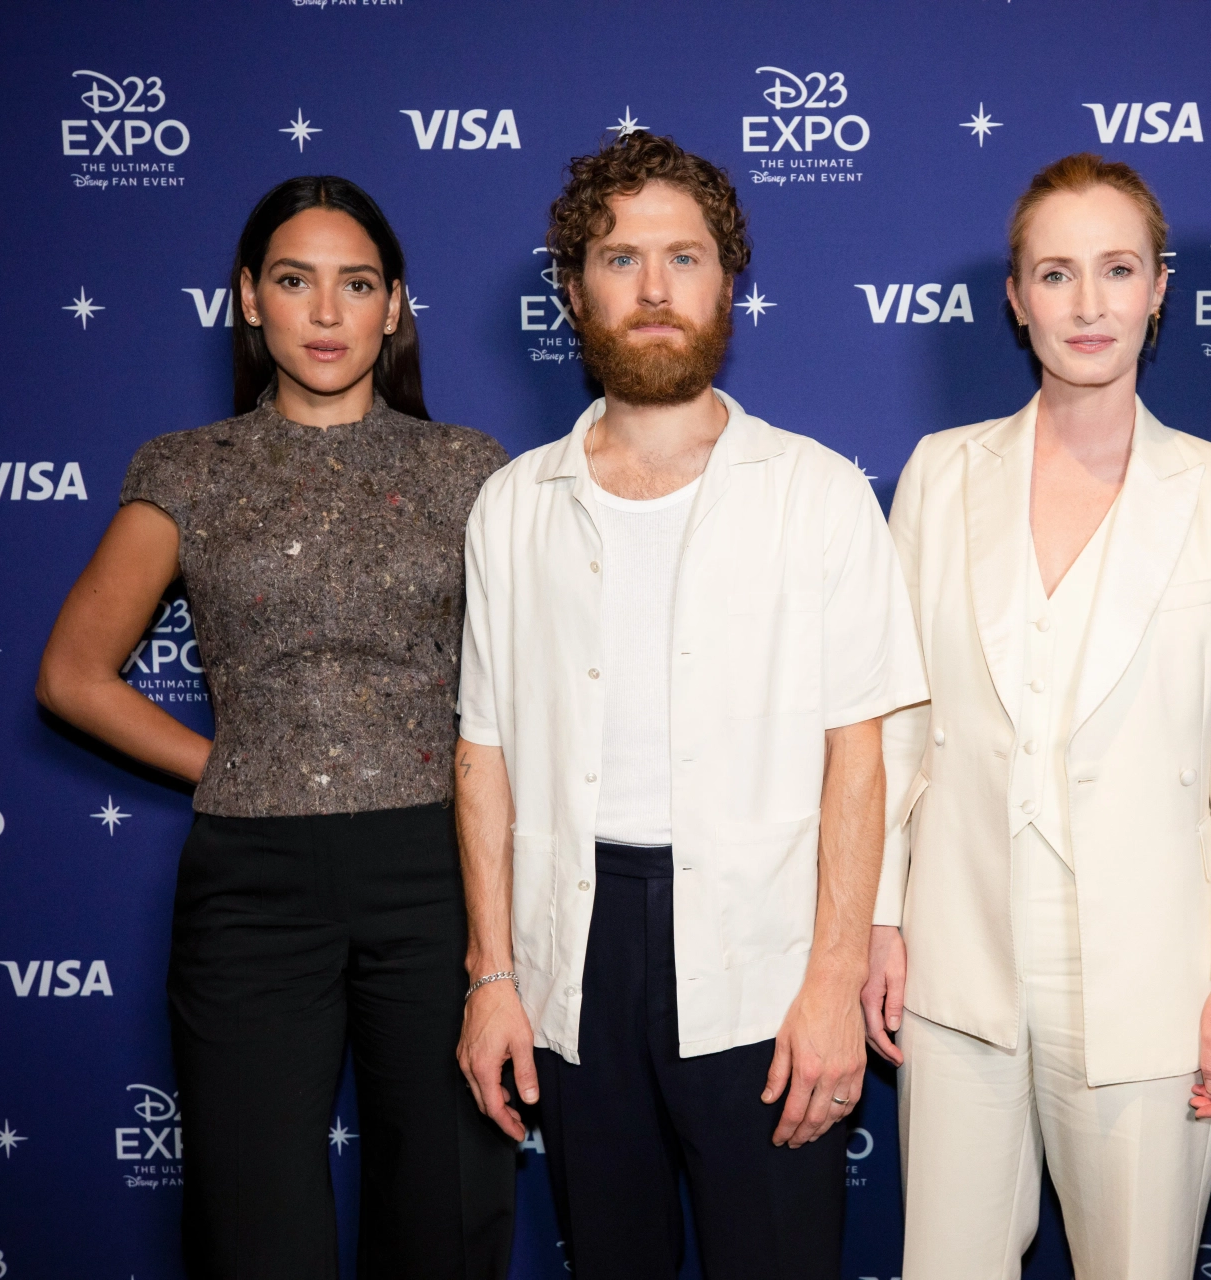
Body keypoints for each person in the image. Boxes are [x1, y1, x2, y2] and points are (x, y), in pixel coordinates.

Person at [451, 131, 926, 1280]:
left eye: (685, 258)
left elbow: (858, 758)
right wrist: (492, 977)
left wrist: (829, 980)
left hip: (766, 951)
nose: (655, 289)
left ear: (728, 284)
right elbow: (484, 756)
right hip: (577, 951)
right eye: (621, 259)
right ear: (575, 288)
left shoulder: (814, 492)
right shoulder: (513, 506)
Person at [36, 176, 517, 1279]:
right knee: (256, 1230)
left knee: (445, 1207)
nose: (327, 312)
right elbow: (71, 675)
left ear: (394, 306)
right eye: (296, 281)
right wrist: (235, 762)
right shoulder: (188, 468)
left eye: (356, 285)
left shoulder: (470, 472)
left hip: (437, 872)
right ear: (250, 299)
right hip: (252, 880)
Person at [866, 153, 1211, 1279]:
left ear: (1160, 287)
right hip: (961, 953)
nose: (1088, 304)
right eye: (1056, 273)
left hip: (1155, 969)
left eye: (1115, 269)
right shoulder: (940, 473)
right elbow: (898, 718)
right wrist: (883, 915)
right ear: (1016, 297)